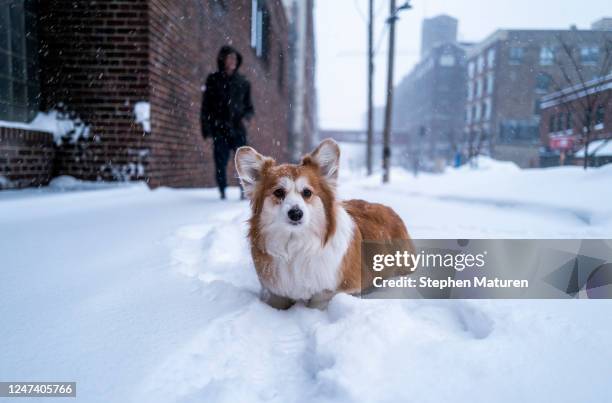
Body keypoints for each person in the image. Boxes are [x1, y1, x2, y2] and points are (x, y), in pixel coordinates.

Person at [201, 45, 254, 199]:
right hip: (219, 127)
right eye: (229, 58)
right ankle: (222, 191)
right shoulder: (213, 80)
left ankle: (243, 191)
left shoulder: (243, 82)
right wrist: (207, 128)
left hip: (238, 128)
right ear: (222, 59)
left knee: (242, 161)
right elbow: (206, 107)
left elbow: (249, 107)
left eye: (235, 59)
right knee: (220, 161)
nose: (232, 61)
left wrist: (246, 117)